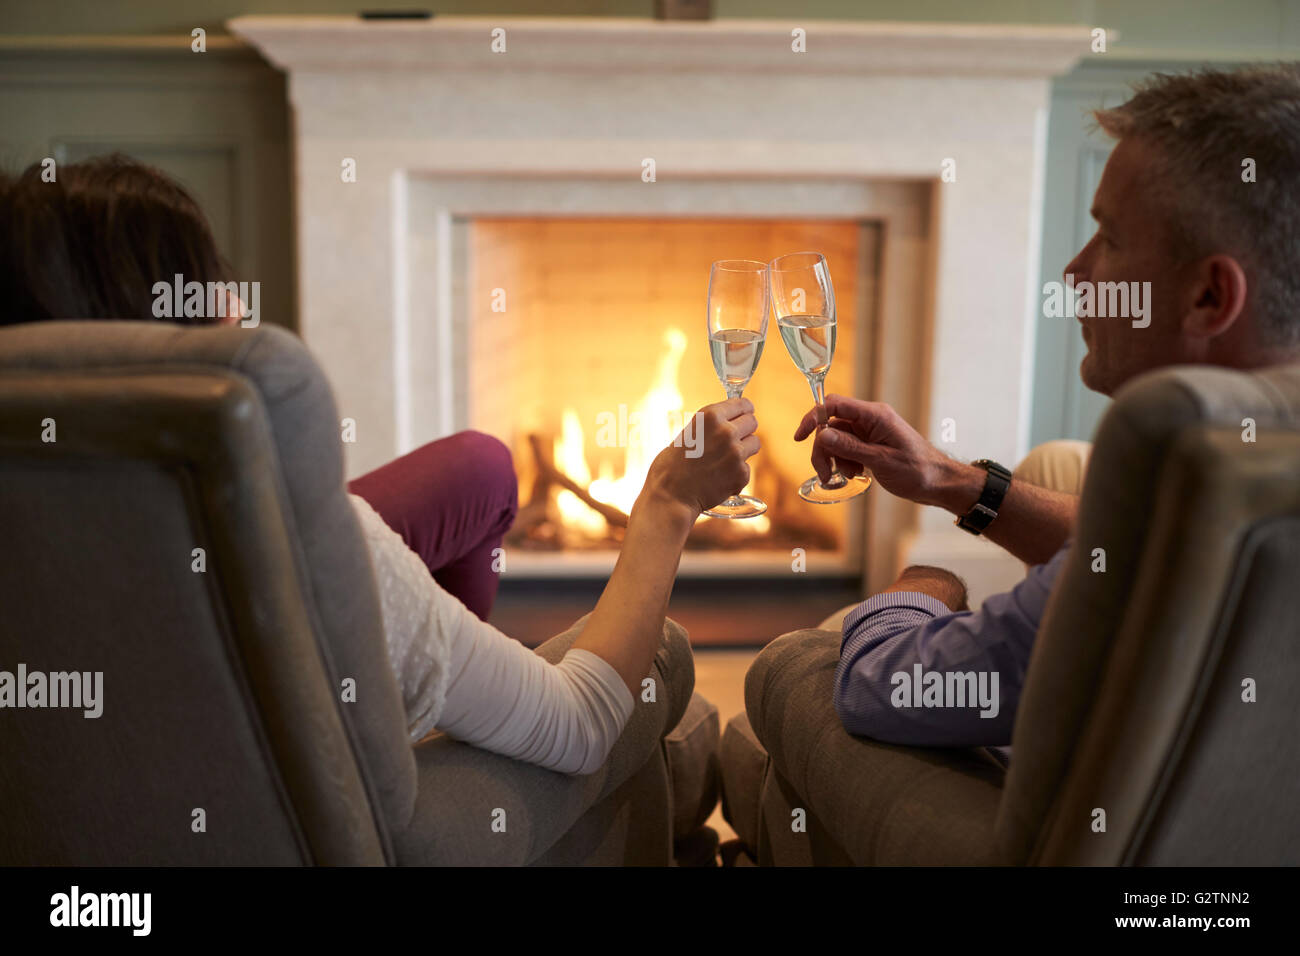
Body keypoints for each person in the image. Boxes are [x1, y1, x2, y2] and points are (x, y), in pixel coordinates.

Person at [0, 153, 760, 775]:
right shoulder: (320, 552)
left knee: (481, 467)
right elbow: (582, 726)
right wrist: (665, 502)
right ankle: (451, 701)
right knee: (667, 678)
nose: (241, 306)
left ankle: (455, 678)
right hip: (392, 804)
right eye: (211, 284)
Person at [793, 64, 1300, 759]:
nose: (1075, 271)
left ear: (1210, 297)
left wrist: (925, 584)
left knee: (799, 666)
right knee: (1058, 465)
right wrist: (950, 482)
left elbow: (881, 687)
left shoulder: (1173, 513)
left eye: (1110, 238)